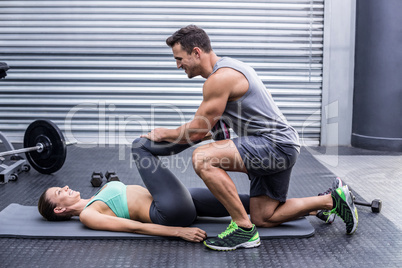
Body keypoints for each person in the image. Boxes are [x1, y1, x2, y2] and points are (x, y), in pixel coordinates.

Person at [139, 25, 358, 251]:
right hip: (282, 144)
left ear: (196, 52)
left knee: (202, 158)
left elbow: (196, 131)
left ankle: (243, 229)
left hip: (274, 144)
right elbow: (215, 130)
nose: (178, 65)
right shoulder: (234, 68)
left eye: (179, 59)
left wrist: (165, 133)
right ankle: (332, 200)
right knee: (264, 217)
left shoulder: (219, 79)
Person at [37, 144, 251, 242]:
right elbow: (134, 228)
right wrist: (178, 232)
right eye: (59, 191)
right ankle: (199, 133)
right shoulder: (87, 215)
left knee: (248, 203)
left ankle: (273, 205)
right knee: (140, 147)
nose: (65, 187)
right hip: (167, 212)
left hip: (178, 201)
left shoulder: (96, 197)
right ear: (60, 208)